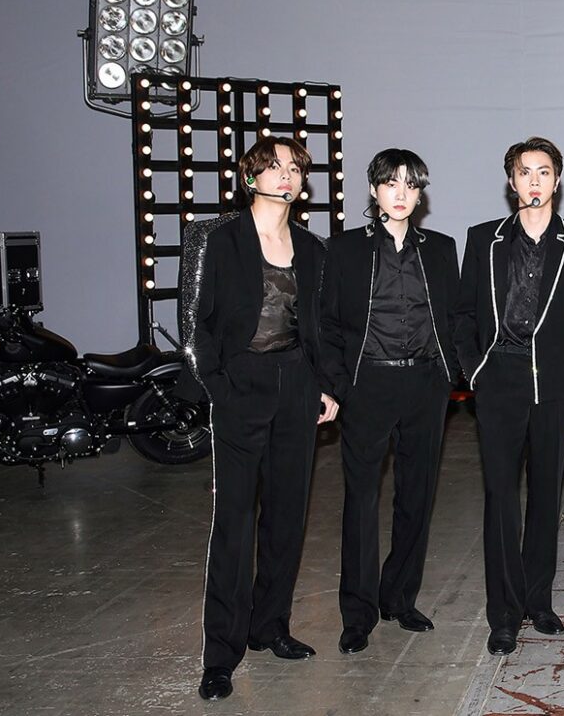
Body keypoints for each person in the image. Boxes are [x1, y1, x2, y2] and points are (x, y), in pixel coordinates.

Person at [183, 137, 338, 701]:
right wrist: (218, 388)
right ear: (251, 176)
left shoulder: (313, 247)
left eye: (294, 168)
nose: (285, 175)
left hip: (296, 384)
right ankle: (220, 656)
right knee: (234, 524)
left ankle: (270, 626)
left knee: (287, 517)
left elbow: (320, 324)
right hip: (240, 385)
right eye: (273, 166)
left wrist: (325, 385)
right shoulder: (215, 238)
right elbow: (194, 322)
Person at [454, 137, 564, 656]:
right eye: (524, 172)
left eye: (543, 171)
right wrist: (476, 372)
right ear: (511, 181)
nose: (534, 180)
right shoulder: (483, 239)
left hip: (556, 387)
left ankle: (538, 601)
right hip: (499, 383)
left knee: (545, 498)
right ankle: (504, 615)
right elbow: (462, 314)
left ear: (557, 180)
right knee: (500, 500)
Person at [320, 149, 462, 657]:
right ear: (374, 190)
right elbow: (327, 323)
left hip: (426, 384)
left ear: (420, 194)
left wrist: (450, 376)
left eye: (410, 184)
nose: (401, 194)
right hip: (368, 385)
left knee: (416, 497)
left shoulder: (441, 249)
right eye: (391, 183)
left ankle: (400, 598)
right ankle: (357, 615)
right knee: (361, 501)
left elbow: (456, 317)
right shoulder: (344, 250)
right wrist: (339, 386)